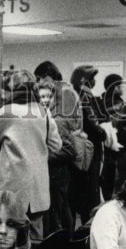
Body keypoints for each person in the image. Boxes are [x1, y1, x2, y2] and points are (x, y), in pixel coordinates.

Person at [0, 70, 62, 241]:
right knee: (36, 234)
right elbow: (56, 145)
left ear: (13, 87)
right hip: (37, 187)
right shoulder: (44, 112)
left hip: (11, 184)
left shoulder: (7, 111)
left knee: (9, 236)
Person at [36, 62, 83, 234]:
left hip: (59, 176)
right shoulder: (42, 118)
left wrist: (44, 157)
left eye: (48, 97)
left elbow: (70, 151)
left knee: (60, 214)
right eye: (42, 97)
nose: (45, 100)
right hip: (52, 177)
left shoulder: (58, 120)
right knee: (58, 213)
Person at [68, 65, 107, 222]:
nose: (95, 81)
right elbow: (93, 124)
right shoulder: (84, 96)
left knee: (80, 191)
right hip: (88, 149)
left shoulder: (74, 95)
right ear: (85, 80)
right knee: (89, 192)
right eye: (92, 78)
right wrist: (104, 133)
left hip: (80, 148)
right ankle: (87, 228)